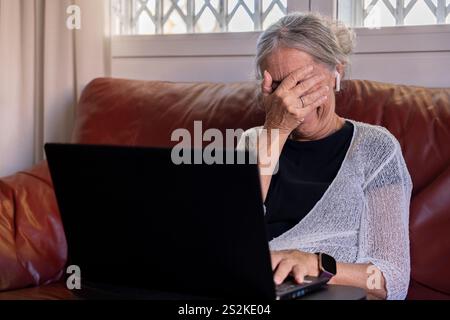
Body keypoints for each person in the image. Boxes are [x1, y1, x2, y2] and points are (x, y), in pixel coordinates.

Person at [237, 12, 412, 300]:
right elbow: (226, 244)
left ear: (336, 74)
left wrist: (317, 264)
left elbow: (391, 279)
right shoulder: (252, 143)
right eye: (280, 87)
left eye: (305, 84)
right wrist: (276, 130)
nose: (294, 103)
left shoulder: (376, 148)